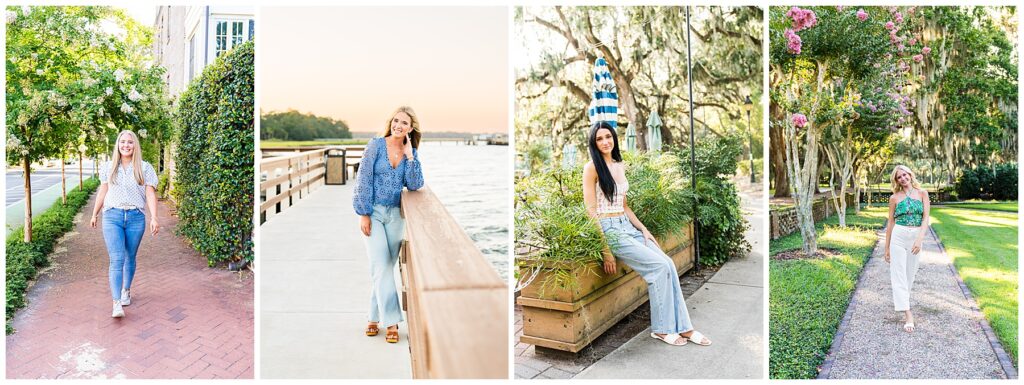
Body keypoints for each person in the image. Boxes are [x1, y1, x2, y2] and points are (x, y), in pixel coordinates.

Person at [582, 121, 710, 347]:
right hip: (610, 231)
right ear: (593, 142)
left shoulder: (619, 164)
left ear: (614, 138)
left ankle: (685, 328)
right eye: (599, 138)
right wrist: (606, 251)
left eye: (608, 137)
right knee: (658, 267)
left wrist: (643, 229)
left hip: (627, 226)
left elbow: (625, 207)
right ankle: (662, 330)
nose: (605, 142)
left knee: (668, 263)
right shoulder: (591, 168)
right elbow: (591, 212)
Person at [353, 106, 424, 344]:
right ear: (390, 122)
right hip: (373, 213)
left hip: (396, 215)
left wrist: (411, 155)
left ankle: (373, 317)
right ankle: (392, 321)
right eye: (396, 121)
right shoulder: (375, 145)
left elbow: (414, 185)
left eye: (404, 123)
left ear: (410, 129)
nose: (398, 126)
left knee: (384, 268)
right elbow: (363, 179)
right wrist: (363, 213)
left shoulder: (409, 151)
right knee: (381, 266)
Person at [90, 130, 160, 318]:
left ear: (135, 145)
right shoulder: (108, 167)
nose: (126, 145)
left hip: (136, 218)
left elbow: (150, 193)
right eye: (122, 142)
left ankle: (126, 290)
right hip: (112, 216)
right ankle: (116, 303)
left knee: (130, 256)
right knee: (116, 259)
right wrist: (94, 214)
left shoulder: (145, 168)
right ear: (118, 144)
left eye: (130, 142)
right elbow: (103, 191)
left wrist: (154, 217)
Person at [885, 165, 929, 333]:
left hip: (915, 236)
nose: (903, 178)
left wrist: (919, 239)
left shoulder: (923, 193)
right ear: (896, 181)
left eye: (904, 175)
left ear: (910, 174)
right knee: (898, 274)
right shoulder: (894, 198)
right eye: (899, 177)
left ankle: (903, 301)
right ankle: (908, 314)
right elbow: (890, 222)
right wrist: (887, 248)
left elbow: (925, 218)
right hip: (899, 235)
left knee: (910, 273)